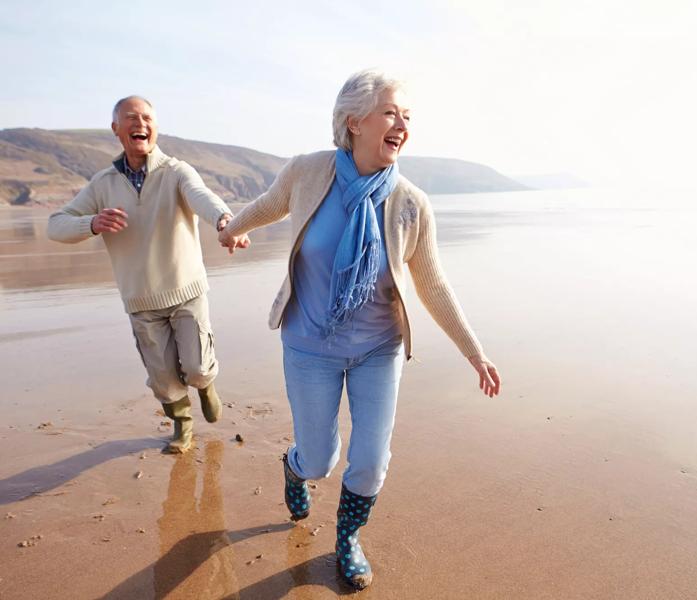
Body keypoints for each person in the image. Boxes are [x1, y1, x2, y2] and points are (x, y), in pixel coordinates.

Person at [219, 69, 501, 590]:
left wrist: (474, 353)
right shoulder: (307, 173)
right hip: (308, 345)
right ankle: (294, 467)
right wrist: (231, 229)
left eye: (408, 117)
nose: (403, 125)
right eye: (392, 113)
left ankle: (348, 538)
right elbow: (267, 206)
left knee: (370, 462)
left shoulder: (411, 203)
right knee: (319, 458)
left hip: (378, 348)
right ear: (354, 121)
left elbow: (433, 285)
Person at [47, 95, 250, 453]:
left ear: (156, 127)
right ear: (116, 129)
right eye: (131, 118)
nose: (140, 123)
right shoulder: (103, 183)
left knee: (197, 366)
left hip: (186, 289)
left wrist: (225, 220)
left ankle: (206, 385)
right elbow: (56, 226)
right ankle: (182, 425)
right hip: (140, 299)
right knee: (163, 378)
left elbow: (202, 196)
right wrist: (91, 223)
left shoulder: (176, 171)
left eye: (146, 117)